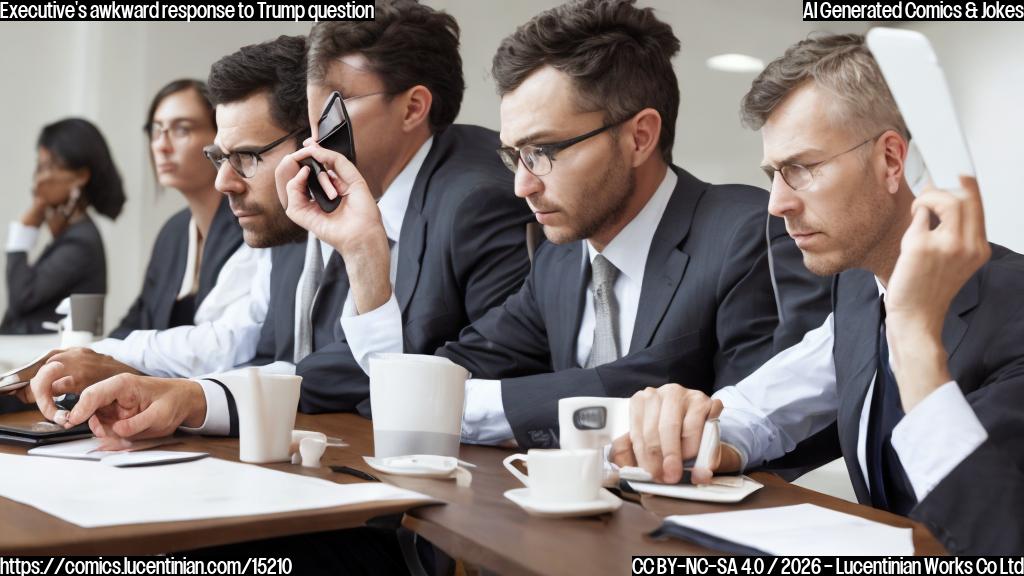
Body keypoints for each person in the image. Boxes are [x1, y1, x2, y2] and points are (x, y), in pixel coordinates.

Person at [612, 33, 1024, 554]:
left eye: (801, 169)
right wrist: (691, 428)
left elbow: (994, 539)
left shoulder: (1016, 310)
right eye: (773, 174)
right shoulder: (856, 289)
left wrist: (913, 337)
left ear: (891, 160)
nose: (776, 203)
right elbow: (771, 408)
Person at [109, 79, 244, 338]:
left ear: (220, 138)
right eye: (156, 130)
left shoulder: (251, 222)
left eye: (181, 129)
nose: (161, 145)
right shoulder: (173, 232)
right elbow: (136, 321)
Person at [2, 118, 125, 334]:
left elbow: (21, 299)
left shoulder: (80, 242)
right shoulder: (72, 235)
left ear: (80, 176)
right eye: (38, 167)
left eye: (47, 166)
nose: (37, 179)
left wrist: (25, 226)